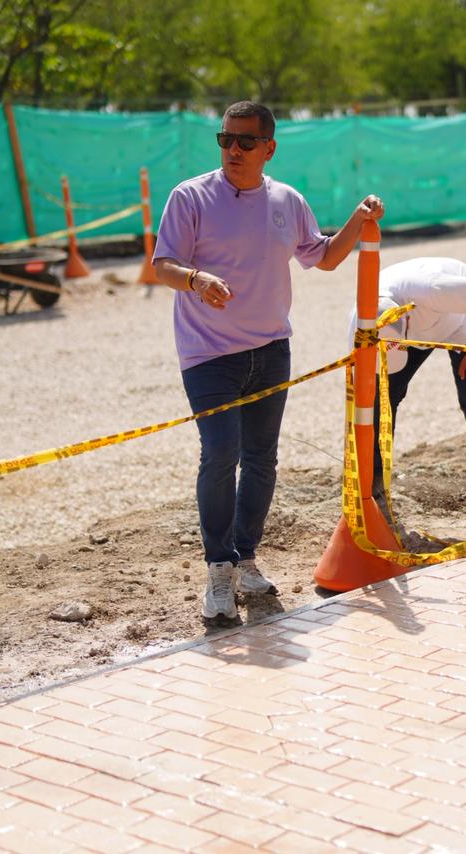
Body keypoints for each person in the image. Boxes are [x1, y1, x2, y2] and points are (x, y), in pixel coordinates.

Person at [153, 100, 384, 623]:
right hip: (208, 354)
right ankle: (217, 570)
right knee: (220, 455)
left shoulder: (286, 199)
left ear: (268, 148)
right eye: (225, 139)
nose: (233, 149)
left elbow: (322, 256)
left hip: (271, 351)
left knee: (261, 459)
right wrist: (196, 279)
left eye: (245, 141)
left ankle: (246, 558)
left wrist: (359, 218)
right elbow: (162, 263)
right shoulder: (189, 196)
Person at [354, 257, 466, 539]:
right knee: (381, 402)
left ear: (407, 318)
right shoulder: (364, 317)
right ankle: (374, 496)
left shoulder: (435, 289)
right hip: (414, 332)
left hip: (462, 323)